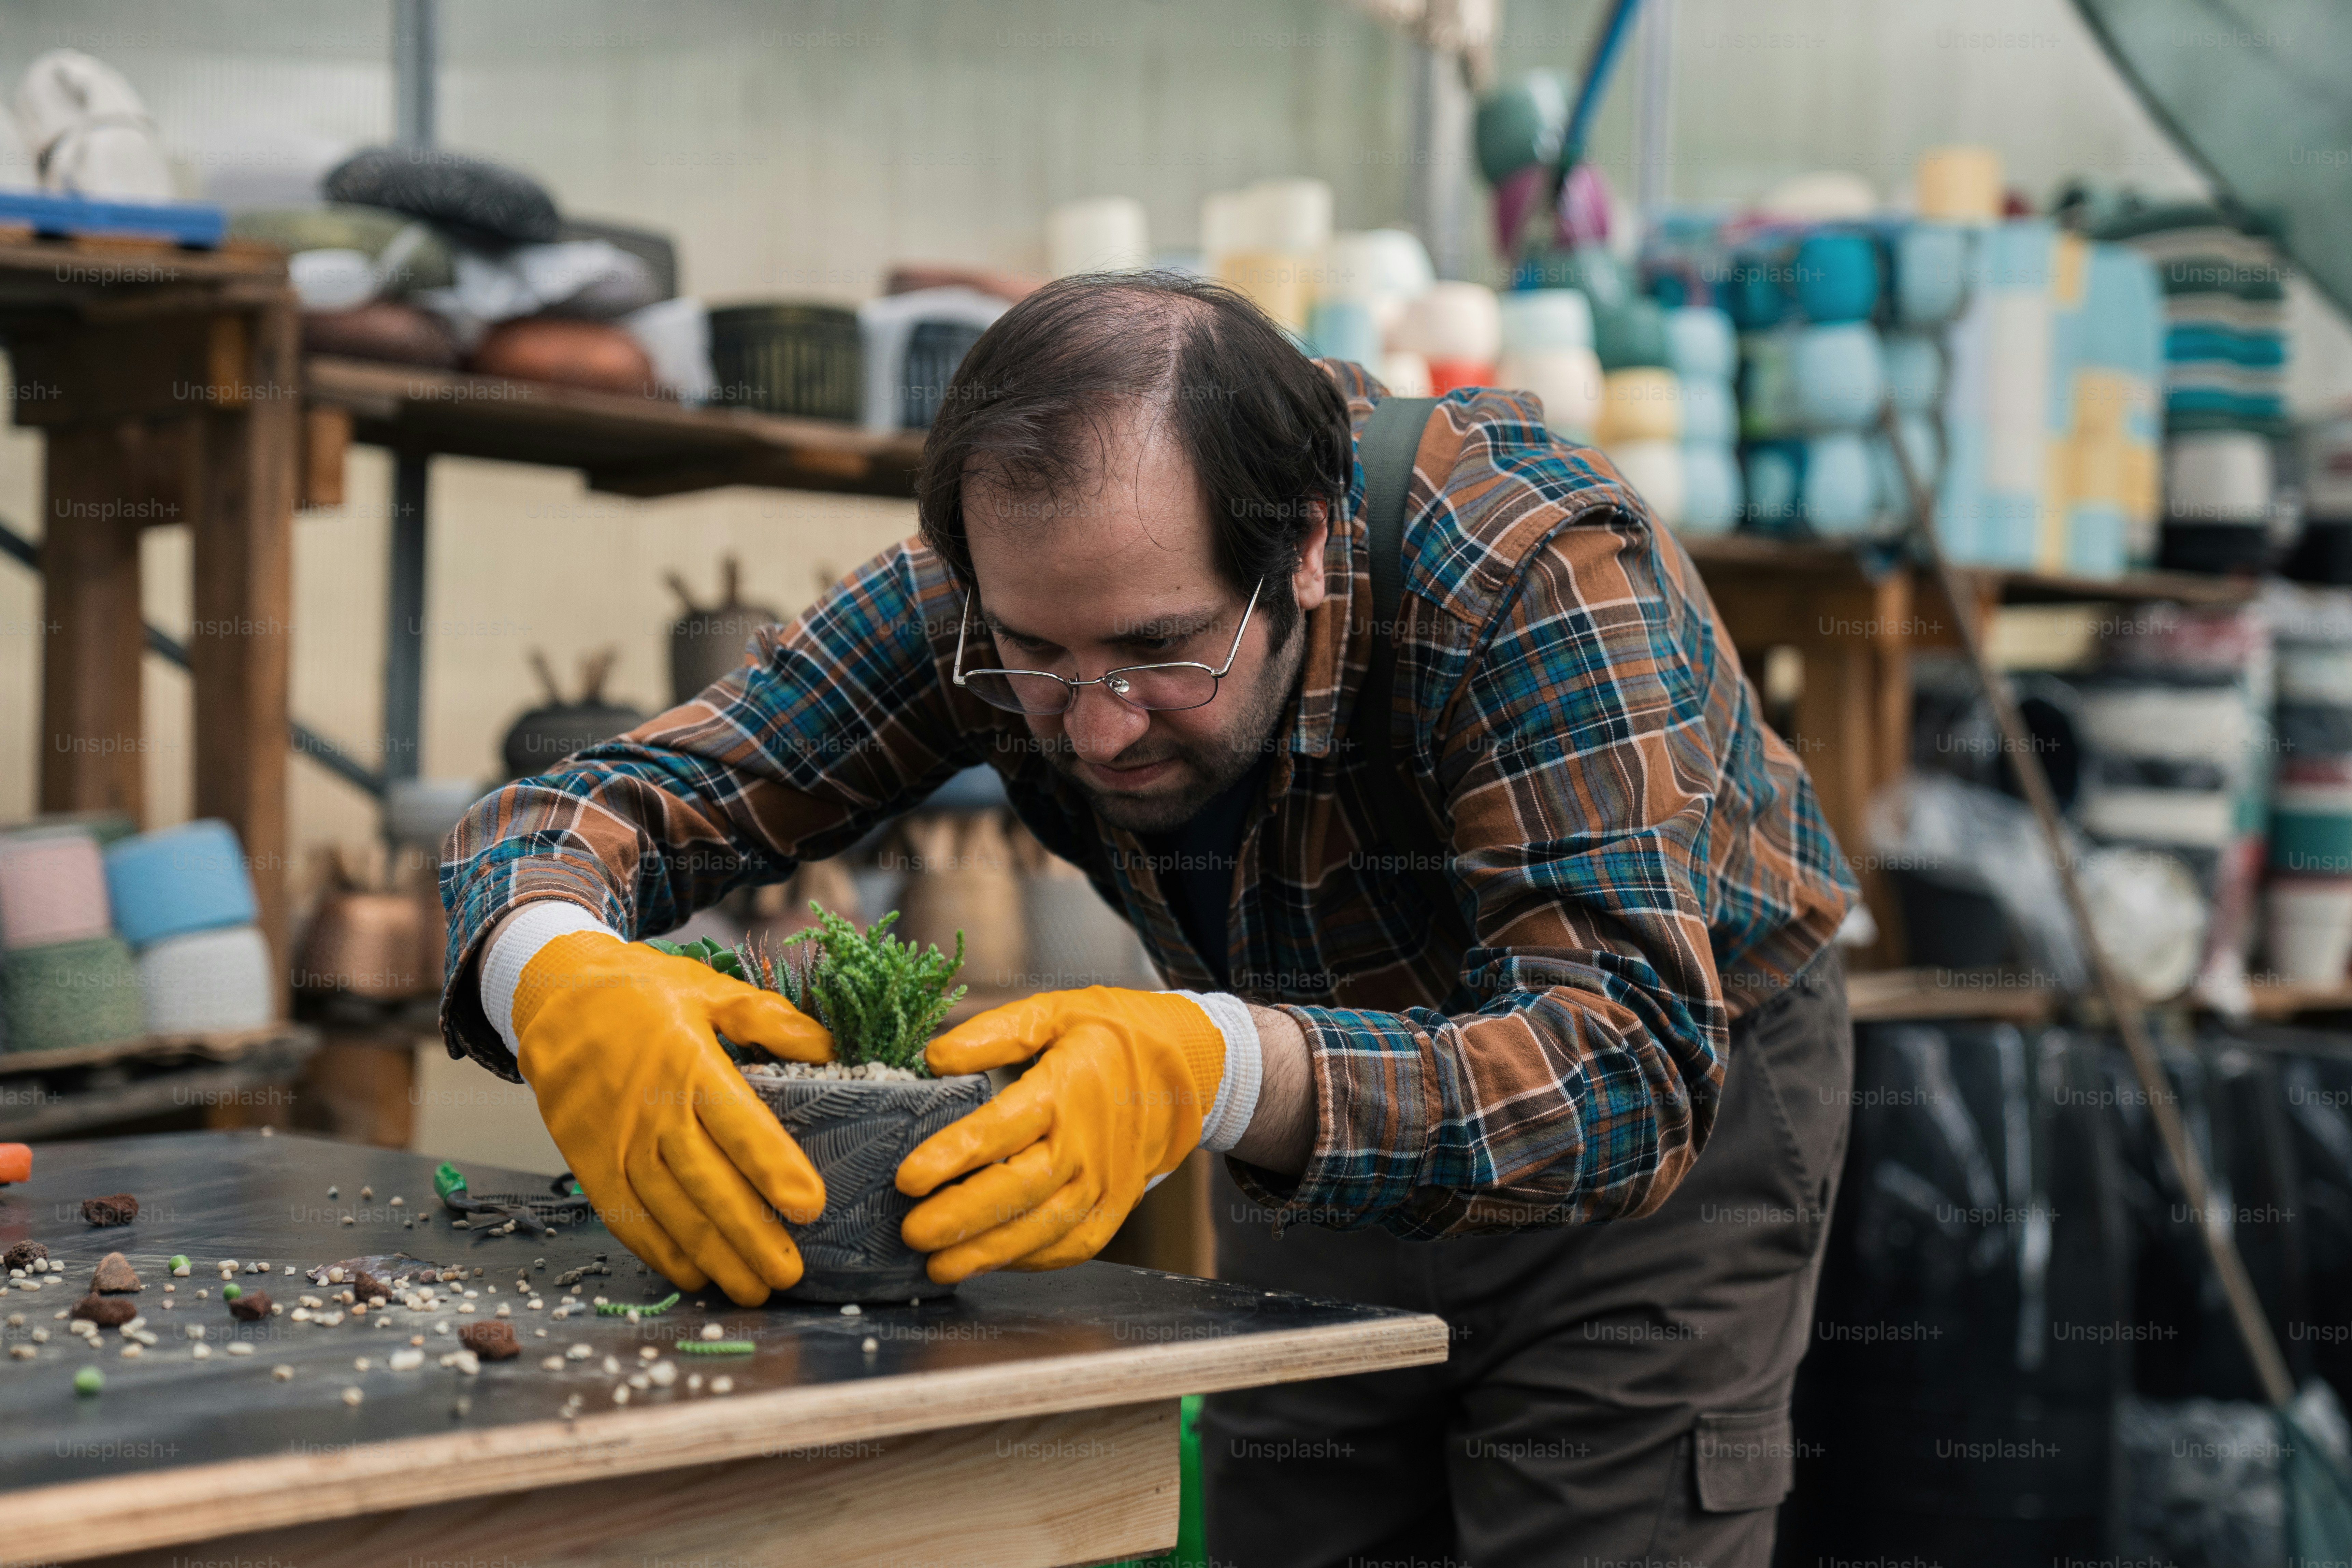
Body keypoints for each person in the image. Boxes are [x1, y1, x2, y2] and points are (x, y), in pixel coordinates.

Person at [438, 272, 1858, 1567]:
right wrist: (551, 968)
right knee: (1298, 1520)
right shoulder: (998, 595)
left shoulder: (1529, 572)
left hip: (1661, 1133)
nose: (1100, 725)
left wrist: (1212, 1068)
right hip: (1308, 1115)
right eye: (1037, 658)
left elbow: (1621, 1069)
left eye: (1161, 651)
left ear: (1297, 548)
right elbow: (616, 801)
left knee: (1595, 1524)